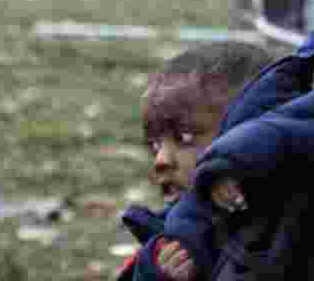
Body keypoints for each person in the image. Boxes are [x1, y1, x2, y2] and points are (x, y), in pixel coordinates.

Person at [116, 40, 275, 281]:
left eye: (184, 138)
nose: (161, 160)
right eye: (155, 145)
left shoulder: (287, 225)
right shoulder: (164, 245)